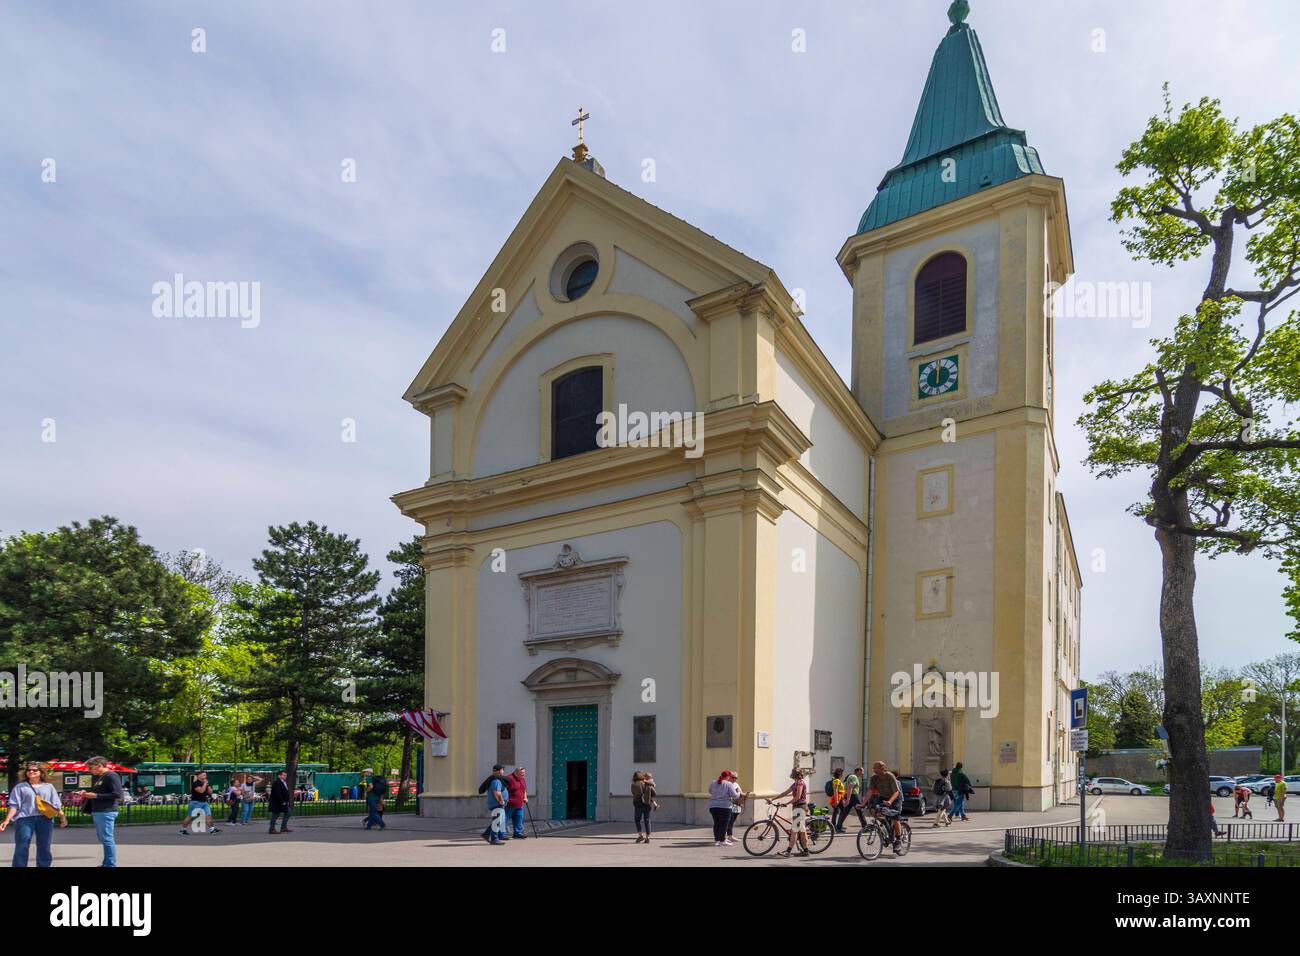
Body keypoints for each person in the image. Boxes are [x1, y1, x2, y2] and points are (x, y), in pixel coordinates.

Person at [0, 762, 68, 867]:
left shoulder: (48, 787)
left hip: (45, 819)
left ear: (41, 772)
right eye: (29, 770)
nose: (31, 771)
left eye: (34, 770)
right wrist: (7, 820)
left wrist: (62, 818)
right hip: (25, 819)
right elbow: (14, 805)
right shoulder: (20, 787)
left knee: (44, 846)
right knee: (22, 845)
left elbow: (56, 804)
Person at [78, 756, 124, 867]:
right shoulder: (101, 776)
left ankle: (110, 864)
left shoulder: (111, 775)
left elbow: (118, 794)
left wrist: (95, 795)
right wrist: (87, 794)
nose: (89, 770)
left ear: (99, 766)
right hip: (100, 811)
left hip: (106, 811)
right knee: (104, 838)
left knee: (107, 839)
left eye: (90, 768)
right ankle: (107, 863)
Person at [770, 769, 811, 858]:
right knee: (802, 830)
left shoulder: (800, 783)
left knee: (794, 831)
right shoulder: (795, 783)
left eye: (792, 773)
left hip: (800, 808)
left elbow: (798, 797)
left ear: (795, 774)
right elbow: (785, 793)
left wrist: (786, 803)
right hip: (798, 808)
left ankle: (788, 852)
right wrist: (773, 799)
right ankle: (806, 851)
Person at [868, 760, 905, 851]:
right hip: (883, 797)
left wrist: (890, 802)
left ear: (882, 768)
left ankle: (898, 840)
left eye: (875, 768)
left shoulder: (890, 776)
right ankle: (886, 829)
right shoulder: (874, 778)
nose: (873, 770)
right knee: (873, 810)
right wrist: (863, 803)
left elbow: (896, 792)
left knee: (895, 818)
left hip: (895, 798)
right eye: (873, 768)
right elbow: (870, 791)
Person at [707, 770, 742, 847]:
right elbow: (735, 795)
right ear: (728, 777)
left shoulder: (713, 782)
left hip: (713, 806)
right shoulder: (728, 784)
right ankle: (722, 840)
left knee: (717, 823)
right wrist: (739, 792)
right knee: (724, 824)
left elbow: (710, 791)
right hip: (725, 807)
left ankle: (717, 840)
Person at [179, 770, 221, 835]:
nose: (205, 776)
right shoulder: (196, 783)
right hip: (196, 802)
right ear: (198, 776)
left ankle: (212, 829)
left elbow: (210, 792)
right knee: (190, 816)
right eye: (203, 775)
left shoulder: (205, 783)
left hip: (204, 802)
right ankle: (182, 830)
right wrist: (204, 784)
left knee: (208, 815)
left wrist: (207, 785)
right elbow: (201, 791)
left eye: (205, 775)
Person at [631, 771, 658, 843]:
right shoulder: (647, 784)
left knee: (637, 820)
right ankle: (648, 837)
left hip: (638, 804)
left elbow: (633, 794)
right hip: (647, 804)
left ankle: (640, 835)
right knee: (647, 820)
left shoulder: (633, 785)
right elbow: (654, 793)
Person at [485, 765, 508, 845]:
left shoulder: (495, 779)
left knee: (497, 820)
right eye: (502, 770)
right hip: (497, 803)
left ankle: (486, 834)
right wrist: (501, 800)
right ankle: (494, 839)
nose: (503, 771)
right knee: (497, 821)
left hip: (496, 803)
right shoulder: (496, 780)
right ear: (498, 771)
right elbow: (497, 792)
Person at [504, 767, 528, 839]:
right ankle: (502, 834)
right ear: (516, 773)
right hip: (509, 805)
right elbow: (503, 790)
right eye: (522, 773)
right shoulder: (509, 778)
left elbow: (524, 790)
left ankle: (517, 833)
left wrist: (525, 797)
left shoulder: (522, 779)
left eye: (524, 773)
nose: (523, 775)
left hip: (519, 805)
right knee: (505, 820)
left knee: (519, 819)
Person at [841, 766, 867, 830]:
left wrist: (847, 798)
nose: (863, 773)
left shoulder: (851, 776)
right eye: (862, 771)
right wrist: (848, 799)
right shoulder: (854, 777)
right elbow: (850, 787)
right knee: (859, 810)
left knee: (846, 811)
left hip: (850, 795)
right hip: (853, 796)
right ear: (858, 771)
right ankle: (865, 826)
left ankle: (838, 826)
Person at [826, 768, 847, 832]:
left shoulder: (836, 780)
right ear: (840, 774)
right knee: (843, 811)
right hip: (837, 797)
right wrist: (837, 800)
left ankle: (834, 826)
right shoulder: (837, 781)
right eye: (842, 773)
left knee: (836, 811)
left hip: (839, 797)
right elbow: (835, 790)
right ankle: (838, 827)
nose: (842, 775)